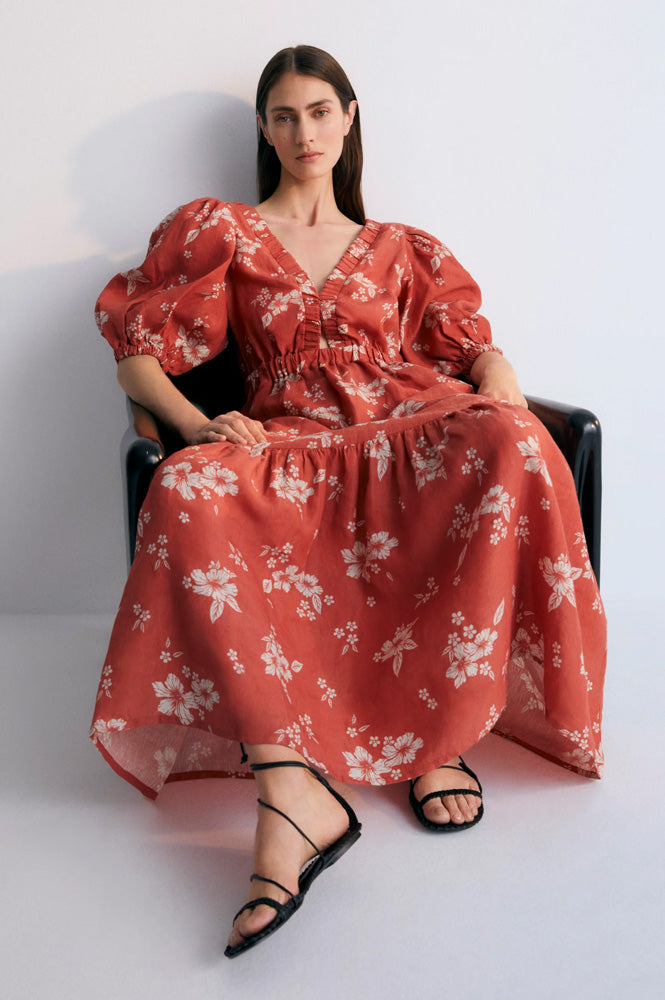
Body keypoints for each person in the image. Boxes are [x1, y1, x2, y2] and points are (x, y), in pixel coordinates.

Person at [90, 45, 607, 958]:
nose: (305, 132)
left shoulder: (403, 247)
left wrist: (498, 374)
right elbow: (137, 353)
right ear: (264, 129)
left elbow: (466, 345)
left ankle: (438, 734)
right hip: (291, 439)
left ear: (350, 117)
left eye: (320, 111)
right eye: (284, 116)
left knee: (515, 440)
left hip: (406, 424)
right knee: (186, 488)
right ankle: (288, 781)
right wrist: (200, 425)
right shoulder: (223, 230)